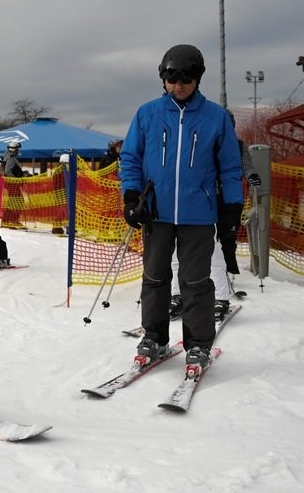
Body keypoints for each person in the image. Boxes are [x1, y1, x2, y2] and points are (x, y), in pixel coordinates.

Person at [119, 44, 243, 373]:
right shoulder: (147, 114)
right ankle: (155, 337)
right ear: (163, 78)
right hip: (156, 212)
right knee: (155, 276)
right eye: (172, 79)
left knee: (195, 280)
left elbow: (231, 168)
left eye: (186, 79)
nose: (179, 85)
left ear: (198, 79)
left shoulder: (216, 117)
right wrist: (131, 196)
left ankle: (198, 343)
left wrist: (232, 207)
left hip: (199, 214)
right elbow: (130, 158)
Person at [168, 110, 262, 322]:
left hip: (227, 201)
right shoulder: (203, 142)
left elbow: (245, 164)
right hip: (199, 199)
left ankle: (221, 294)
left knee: (219, 245)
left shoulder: (237, 145)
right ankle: (178, 294)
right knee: (177, 246)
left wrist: (253, 175)